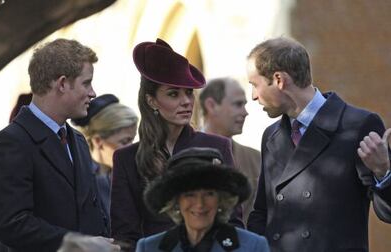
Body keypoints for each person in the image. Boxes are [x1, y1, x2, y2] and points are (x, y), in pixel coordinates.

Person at [245, 37, 391, 252]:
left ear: (279, 80)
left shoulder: (359, 125)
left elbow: (387, 212)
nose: (254, 96)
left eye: (255, 85)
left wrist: (383, 171)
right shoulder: (271, 135)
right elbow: (262, 213)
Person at [0, 39, 116, 252]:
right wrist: (75, 243)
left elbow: (92, 211)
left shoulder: (79, 141)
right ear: (62, 84)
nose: (93, 93)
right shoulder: (8, 144)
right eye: (86, 83)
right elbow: (12, 224)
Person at [110, 38, 241, 251]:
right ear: (151, 100)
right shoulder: (126, 158)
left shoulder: (218, 146)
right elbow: (124, 235)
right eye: (173, 94)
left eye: (189, 92)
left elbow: (233, 221)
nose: (186, 101)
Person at [136, 147, 270, 252]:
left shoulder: (253, 246)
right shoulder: (149, 248)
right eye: (190, 194)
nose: (200, 204)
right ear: (176, 202)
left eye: (209, 194)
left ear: (221, 199)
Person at [199, 77, 261, 225]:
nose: (245, 113)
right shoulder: (183, 153)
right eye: (238, 104)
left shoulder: (257, 159)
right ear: (211, 105)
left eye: (244, 105)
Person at [71, 94, 138, 219]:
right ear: (98, 141)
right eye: (124, 142)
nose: (132, 148)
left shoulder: (128, 175)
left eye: (132, 140)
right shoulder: (79, 180)